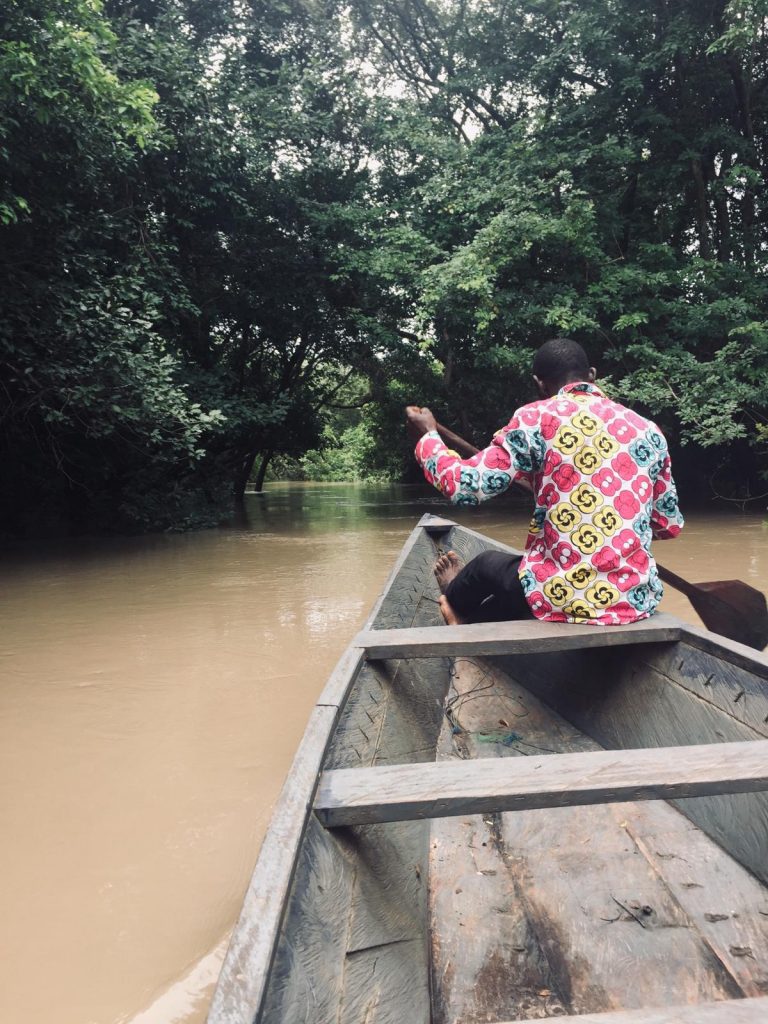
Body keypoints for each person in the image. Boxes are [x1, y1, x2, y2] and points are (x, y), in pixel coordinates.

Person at [405, 338, 684, 627]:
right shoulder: (648, 431)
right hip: (634, 600)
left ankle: (454, 599)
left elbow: (464, 486)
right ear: (592, 375)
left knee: (486, 565)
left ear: (539, 384)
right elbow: (667, 525)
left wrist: (428, 437)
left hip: (560, 596)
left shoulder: (535, 419)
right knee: (521, 578)